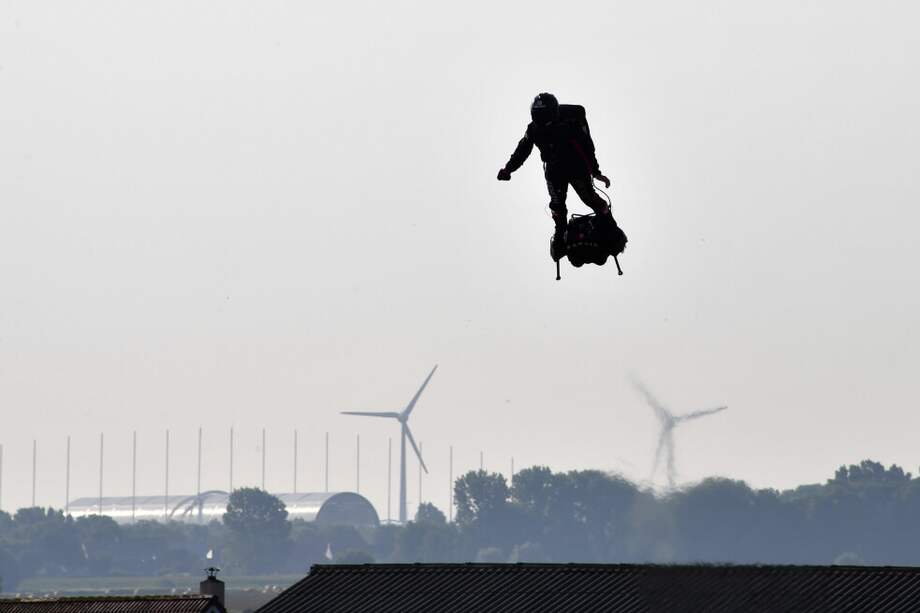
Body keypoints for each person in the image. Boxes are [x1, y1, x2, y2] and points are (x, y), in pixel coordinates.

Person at [497, 93, 617, 254]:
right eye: (538, 119)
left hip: (576, 166)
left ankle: (609, 224)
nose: (543, 123)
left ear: (554, 114)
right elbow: (522, 149)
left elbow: (587, 146)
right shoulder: (533, 129)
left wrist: (595, 172)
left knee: (589, 198)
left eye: (545, 119)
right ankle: (560, 232)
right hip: (554, 170)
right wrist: (508, 169)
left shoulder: (570, 123)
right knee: (557, 204)